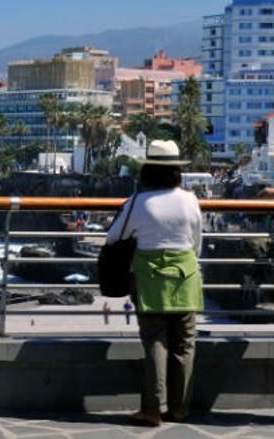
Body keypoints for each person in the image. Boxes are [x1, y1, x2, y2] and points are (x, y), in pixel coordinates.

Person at [105, 140, 203, 427]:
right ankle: (181, 407)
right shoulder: (191, 200)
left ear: (147, 170)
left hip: (149, 279)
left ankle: (152, 409)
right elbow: (196, 243)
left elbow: (113, 238)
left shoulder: (139, 202)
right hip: (185, 275)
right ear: (177, 171)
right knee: (185, 343)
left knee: (155, 342)